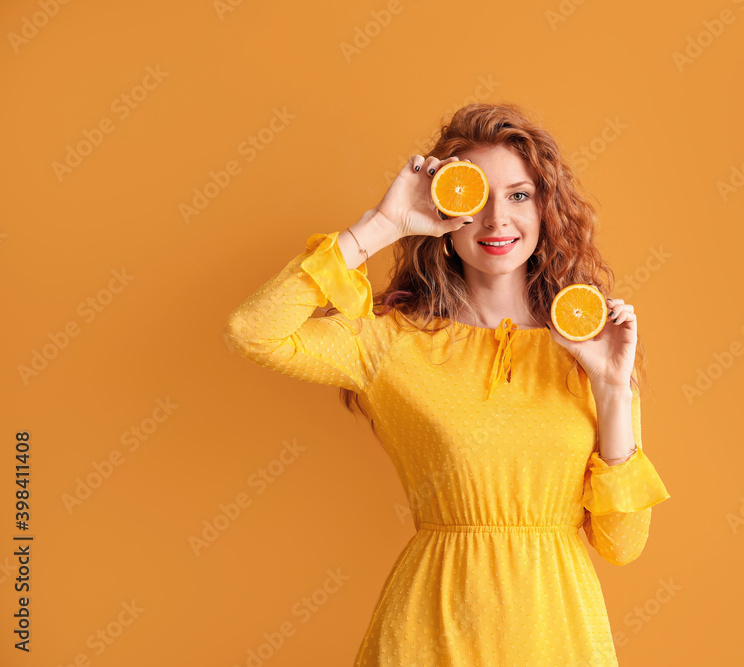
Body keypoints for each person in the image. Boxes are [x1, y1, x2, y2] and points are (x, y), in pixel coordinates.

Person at [224, 102, 671, 666]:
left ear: (546, 208)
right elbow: (253, 330)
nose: (497, 220)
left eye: (519, 195)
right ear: (445, 208)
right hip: (429, 637)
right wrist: (381, 225)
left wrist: (612, 388)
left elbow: (622, 544)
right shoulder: (393, 341)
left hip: (560, 639)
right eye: (476, 196)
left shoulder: (593, 346)